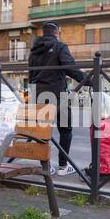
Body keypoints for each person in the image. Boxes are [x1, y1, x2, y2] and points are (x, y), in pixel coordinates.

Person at [28, 21, 90, 176]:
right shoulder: (59, 46)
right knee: (65, 129)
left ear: (43, 33)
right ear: (56, 33)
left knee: (42, 132)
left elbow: (31, 76)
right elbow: (70, 67)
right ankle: (63, 166)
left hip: (38, 95)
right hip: (57, 94)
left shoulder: (34, 52)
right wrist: (89, 80)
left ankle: (46, 167)